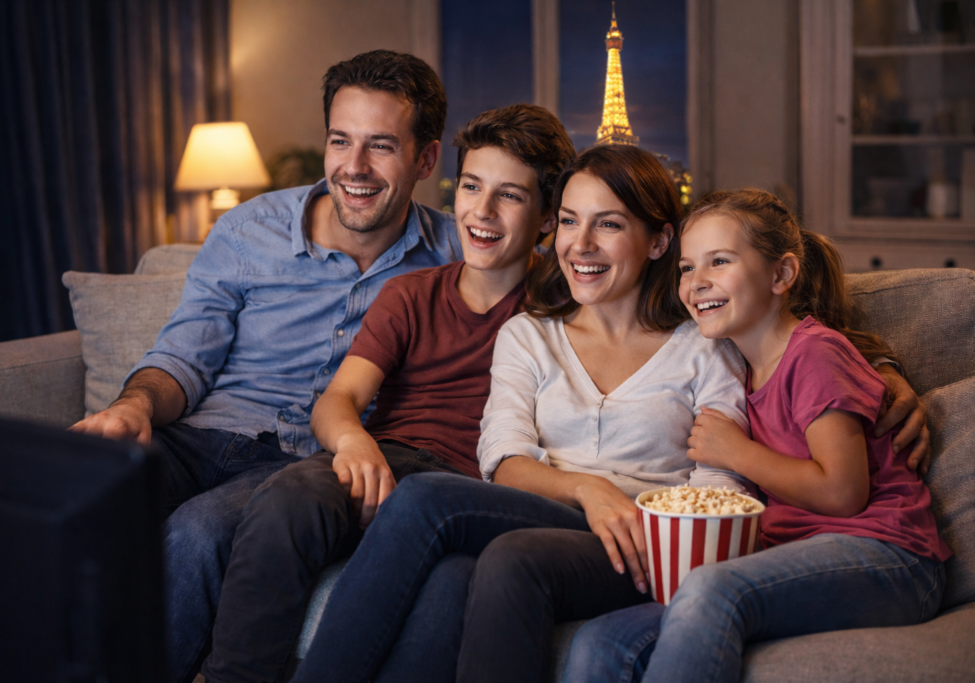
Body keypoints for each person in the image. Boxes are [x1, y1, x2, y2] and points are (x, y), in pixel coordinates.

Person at [292, 148, 935, 683]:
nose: (580, 244)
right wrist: (588, 490)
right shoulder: (528, 335)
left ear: (659, 242)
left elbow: (735, 462)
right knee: (454, 564)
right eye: (569, 221)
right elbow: (502, 459)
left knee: (441, 512)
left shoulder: (707, 343)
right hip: (553, 512)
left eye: (608, 224)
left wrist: (883, 369)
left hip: (653, 540)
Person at [68, 50, 459, 683]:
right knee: (76, 494)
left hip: (304, 466)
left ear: (426, 159)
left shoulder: (460, 256)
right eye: (340, 140)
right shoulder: (250, 229)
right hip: (198, 437)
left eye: (381, 146)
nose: (354, 167)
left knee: (197, 536)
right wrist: (132, 406)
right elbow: (183, 356)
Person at [199, 104, 575, 683]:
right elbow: (339, 399)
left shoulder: (564, 307)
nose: (483, 211)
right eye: (471, 186)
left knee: (450, 586)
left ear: (548, 217)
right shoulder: (410, 294)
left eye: (511, 195)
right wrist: (354, 443)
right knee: (287, 495)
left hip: (474, 489)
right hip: (386, 462)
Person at [574, 189, 949, 683]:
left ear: (781, 274)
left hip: (890, 557)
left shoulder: (814, 354)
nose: (697, 281)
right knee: (602, 639)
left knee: (711, 589)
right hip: (796, 552)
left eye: (719, 261)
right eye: (686, 267)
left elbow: (843, 492)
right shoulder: (739, 368)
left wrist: (737, 452)